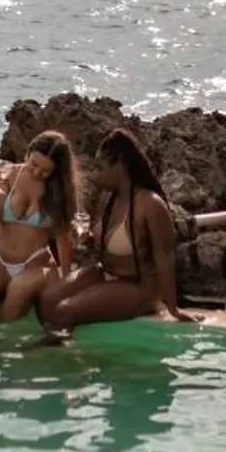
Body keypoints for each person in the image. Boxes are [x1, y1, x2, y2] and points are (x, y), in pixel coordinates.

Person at [38, 127, 187, 332]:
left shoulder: (150, 205)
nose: (95, 175)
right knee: (47, 299)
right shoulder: (107, 199)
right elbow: (102, 246)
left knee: (65, 310)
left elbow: (165, 257)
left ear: (119, 167)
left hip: (140, 288)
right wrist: (85, 239)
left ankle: (61, 358)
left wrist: (173, 308)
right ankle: (60, 346)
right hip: (105, 273)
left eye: (101, 167)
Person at [0, 130, 79, 327]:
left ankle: (5, 346)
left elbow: (63, 239)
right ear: (27, 153)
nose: (37, 173)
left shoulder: (58, 191)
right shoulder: (7, 175)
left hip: (36, 263)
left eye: (45, 171)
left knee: (18, 290)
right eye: (33, 164)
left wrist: (65, 279)